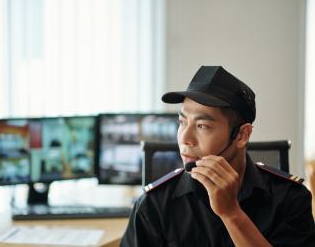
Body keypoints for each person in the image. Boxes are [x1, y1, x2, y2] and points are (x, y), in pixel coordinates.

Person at [120, 66, 315, 246]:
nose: (185, 139)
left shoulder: (291, 199)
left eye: (202, 126)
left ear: (242, 135)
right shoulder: (153, 205)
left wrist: (232, 214)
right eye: (182, 122)